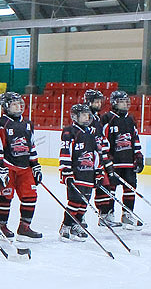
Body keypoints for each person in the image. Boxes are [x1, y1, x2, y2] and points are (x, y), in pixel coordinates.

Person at [0, 91, 43, 241]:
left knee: (30, 196)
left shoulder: (28, 124)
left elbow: (31, 146)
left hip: (25, 167)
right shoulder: (1, 124)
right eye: (14, 104)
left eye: (19, 103)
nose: (18, 106)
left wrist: (36, 165)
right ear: (6, 107)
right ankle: (1, 226)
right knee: (5, 195)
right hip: (8, 167)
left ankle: (24, 227)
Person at [58, 104, 107, 241]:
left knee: (84, 201)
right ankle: (66, 226)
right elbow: (65, 152)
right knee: (75, 201)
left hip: (89, 173)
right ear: (75, 117)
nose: (87, 117)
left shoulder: (91, 132)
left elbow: (96, 154)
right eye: (84, 115)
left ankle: (76, 224)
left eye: (88, 115)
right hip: (76, 173)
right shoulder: (69, 131)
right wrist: (66, 172)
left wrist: (98, 172)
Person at [100, 90, 144, 229]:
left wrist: (138, 156)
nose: (125, 104)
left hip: (128, 162)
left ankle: (127, 215)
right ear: (114, 103)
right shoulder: (107, 118)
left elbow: (135, 138)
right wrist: (106, 159)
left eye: (126, 101)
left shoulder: (131, 119)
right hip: (114, 162)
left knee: (130, 188)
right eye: (122, 102)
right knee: (111, 188)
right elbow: (102, 140)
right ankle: (107, 215)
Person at [85, 89, 116, 227]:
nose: (98, 104)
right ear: (89, 101)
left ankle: (104, 216)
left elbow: (101, 139)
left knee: (105, 186)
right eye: (95, 101)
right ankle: (79, 218)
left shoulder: (97, 118)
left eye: (99, 101)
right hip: (87, 160)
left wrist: (105, 157)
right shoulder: (84, 117)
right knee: (85, 190)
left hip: (99, 160)